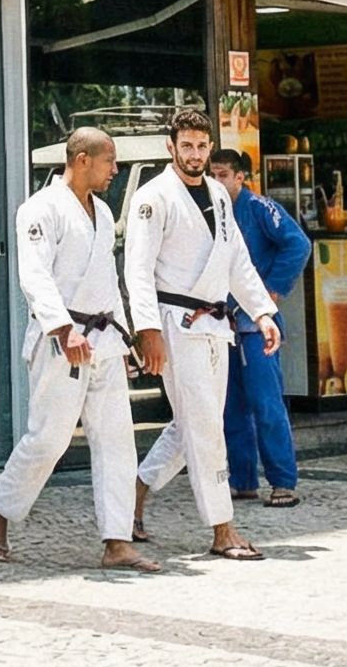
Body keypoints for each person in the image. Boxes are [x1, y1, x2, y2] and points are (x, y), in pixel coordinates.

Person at [0, 127, 160, 573]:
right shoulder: (39, 210)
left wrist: (125, 337)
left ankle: (117, 541)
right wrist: (63, 329)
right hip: (62, 341)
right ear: (81, 160)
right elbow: (34, 277)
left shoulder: (99, 210)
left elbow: (107, 280)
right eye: (109, 161)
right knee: (51, 439)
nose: (115, 171)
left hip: (103, 337)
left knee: (117, 440)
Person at [129, 110, 281, 561]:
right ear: (170, 147)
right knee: (206, 427)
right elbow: (136, 270)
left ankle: (132, 497)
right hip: (175, 323)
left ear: (209, 147)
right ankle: (223, 528)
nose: (195, 154)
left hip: (216, 324)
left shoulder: (217, 193)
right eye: (187, 146)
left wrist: (263, 313)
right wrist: (146, 332)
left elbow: (237, 261)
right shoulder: (152, 198)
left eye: (201, 146)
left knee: (190, 425)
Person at [209, 149, 311, 507]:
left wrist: (272, 290)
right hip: (223, 323)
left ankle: (283, 481)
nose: (217, 181)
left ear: (240, 178)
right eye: (213, 174)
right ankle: (242, 479)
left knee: (266, 403)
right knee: (231, 405)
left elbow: (298, 244)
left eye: (224, 175)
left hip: (256, 323)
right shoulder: (208, 211)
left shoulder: (260, 208)